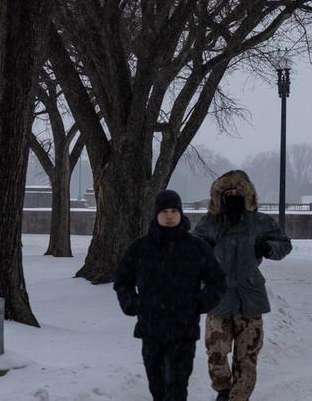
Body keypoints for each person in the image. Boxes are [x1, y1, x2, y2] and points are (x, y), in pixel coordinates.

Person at [115, 189, 227, 401]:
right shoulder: (140, 248)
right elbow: (123, 280)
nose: (169, 216)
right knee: (157, 387)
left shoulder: (197, 248)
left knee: (176, 386)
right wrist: (132, 303)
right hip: (151, 330)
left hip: (183, 330)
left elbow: (218, 280)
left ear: (180, 213)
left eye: (174, 210)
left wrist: (199, 303)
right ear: (156, 214)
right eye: (164, 211)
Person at [193, 170, 292, 401]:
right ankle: (223, 390)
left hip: (250, 298)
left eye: (238, 191)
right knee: (216, 350)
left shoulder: (259, 222)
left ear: (247, 194)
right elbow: (192, 248)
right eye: (228, 192)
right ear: (220, 195)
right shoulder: (211, 222)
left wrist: (267, 248)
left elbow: (284, 244)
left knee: (247, 358)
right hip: (219, 297)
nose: (233, 195)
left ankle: (238, 398)